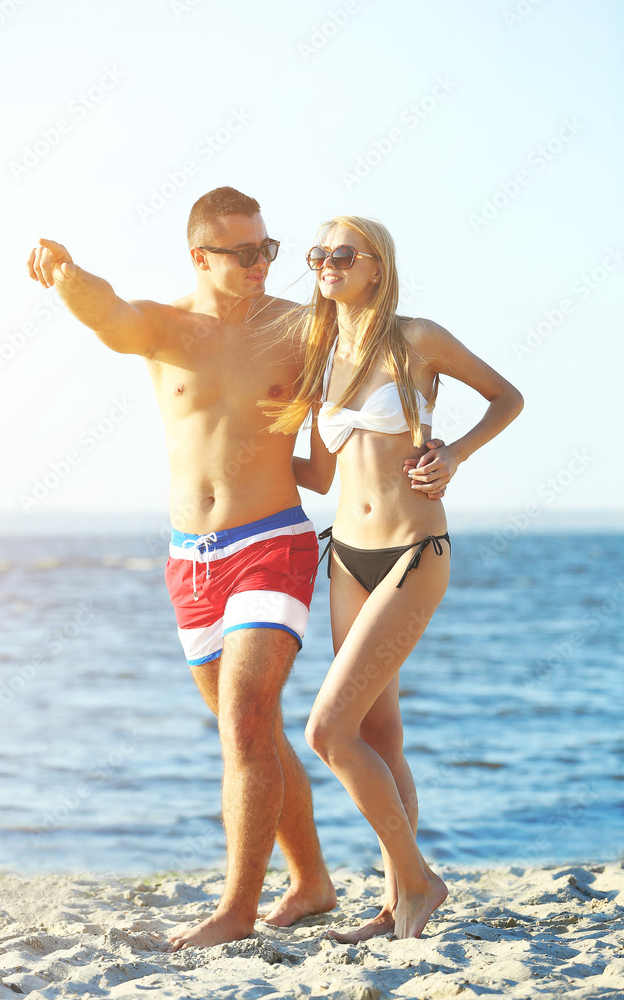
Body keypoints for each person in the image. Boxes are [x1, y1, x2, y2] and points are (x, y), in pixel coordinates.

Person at [26, 187, 337, 949]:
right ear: (199, 255)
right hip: (190, 559)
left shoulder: (300, 327)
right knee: (250, 730)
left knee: (244, 722)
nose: (262, 263)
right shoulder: (165, 327)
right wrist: (66, 275)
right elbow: (107, 312)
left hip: (271, 542)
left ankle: (236, 911)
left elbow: (374, 374)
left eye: (268, 249)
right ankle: (312, 882)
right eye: (245, 252)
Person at [267, 216, 523, 940]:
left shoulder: (418, 338)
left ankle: (418, 881)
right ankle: (397, 905)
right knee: (377, 735)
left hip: (413, 553)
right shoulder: (322, 353)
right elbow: (320, 474)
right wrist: (236, 456)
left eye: (342, 253)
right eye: (318, 253)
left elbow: (507, 397)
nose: (327, 262)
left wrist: (456, 455)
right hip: (348, 558)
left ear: (377, 266)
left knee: (326, 730)